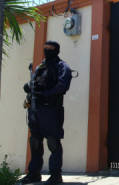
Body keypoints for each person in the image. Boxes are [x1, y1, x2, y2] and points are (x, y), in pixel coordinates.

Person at [19, 41, 72, 185]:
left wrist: (46, 94)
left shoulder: (62, 67)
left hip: (51, 110)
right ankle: (34, 174)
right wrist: (29, 87)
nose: (47, 50)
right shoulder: (40, 66)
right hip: (35, 109)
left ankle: (55, 176)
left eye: (51, 48)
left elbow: (62, 86)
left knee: (53, 142)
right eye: (45, 48)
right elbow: (35, 84)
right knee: (35, 142)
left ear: (57, 50)